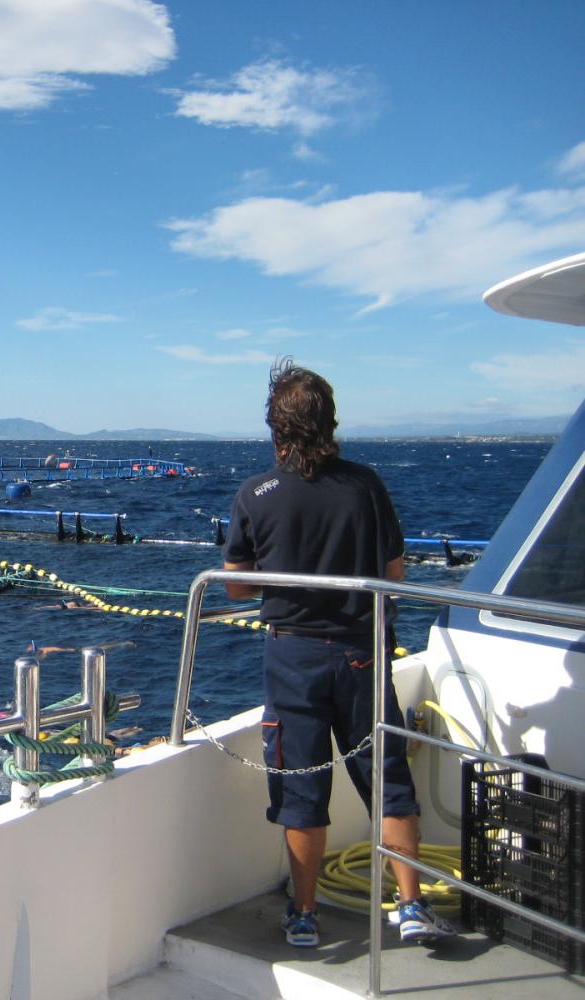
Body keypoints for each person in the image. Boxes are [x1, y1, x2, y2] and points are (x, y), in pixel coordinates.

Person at [222, 358, 453, 950]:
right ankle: (411, 905)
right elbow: (394, 572)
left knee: (301, 788)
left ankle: (304, 914)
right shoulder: (366, 486)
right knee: (388, 779)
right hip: (361, 655)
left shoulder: (255, 494)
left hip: (292, 659)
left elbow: (237, 586)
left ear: (276, 427)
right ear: (330, 422)